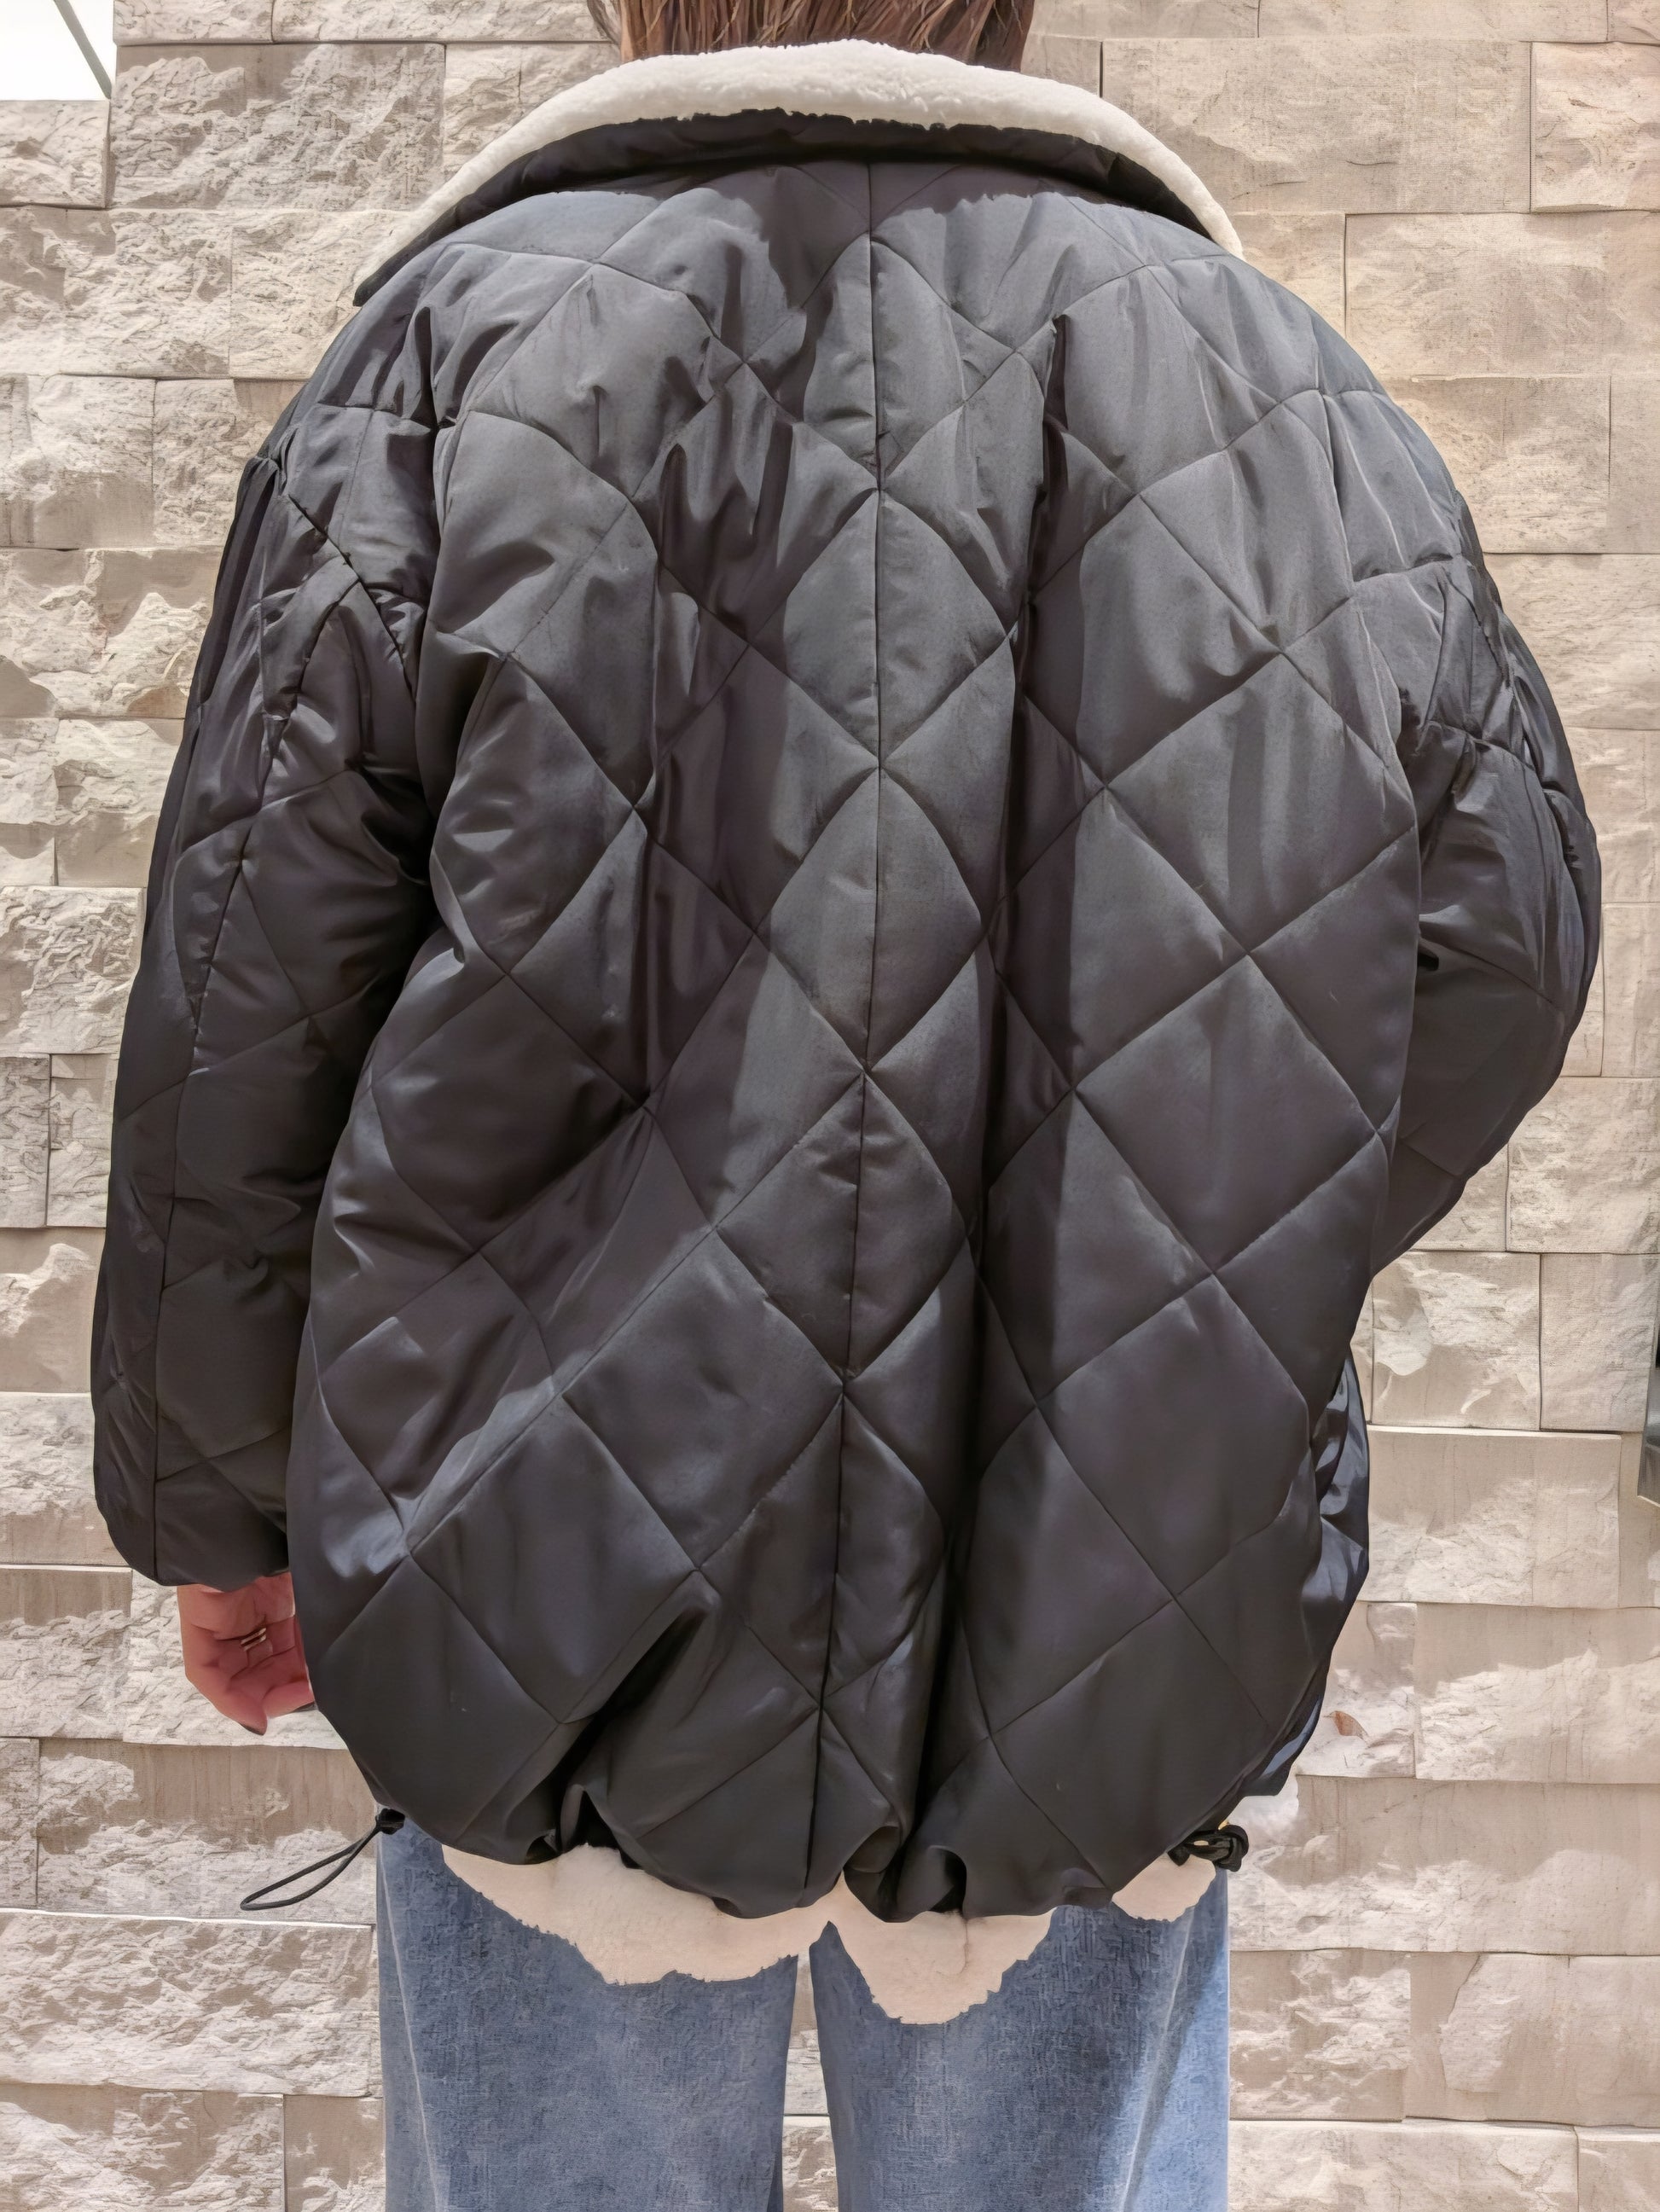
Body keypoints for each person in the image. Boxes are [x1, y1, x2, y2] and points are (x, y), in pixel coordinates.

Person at [90, 0, 1599, 2201]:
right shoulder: (1296, 398)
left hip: (542, 1590)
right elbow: (1504, 948)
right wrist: (1206, 1287)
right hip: (1104, 1593)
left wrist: (224, 1513)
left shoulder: (450, 359)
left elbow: (246, 1000)